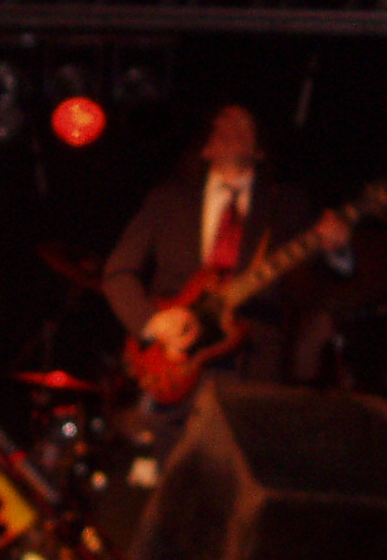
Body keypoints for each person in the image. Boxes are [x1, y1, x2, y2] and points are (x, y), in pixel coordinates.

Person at [103, 104, 350, 456]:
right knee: (177, 471)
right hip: (175, 360)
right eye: (222, 124)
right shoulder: (168, 200)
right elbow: (118, 272)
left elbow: (330, 281)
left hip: (253, 366)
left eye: (243, 124)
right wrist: (153, 323)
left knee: (246, 470)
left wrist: (339, 250)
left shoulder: (287, 203)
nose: (232, 127)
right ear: (206, 147)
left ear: (260, 150)